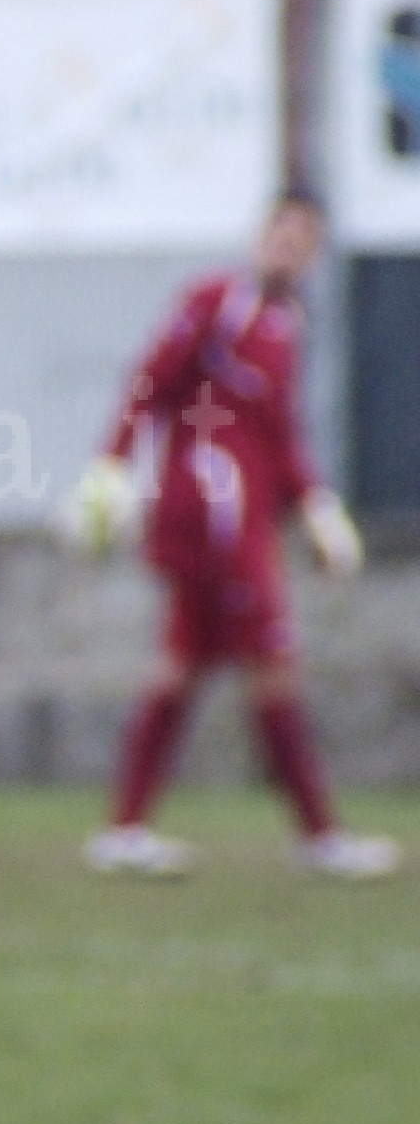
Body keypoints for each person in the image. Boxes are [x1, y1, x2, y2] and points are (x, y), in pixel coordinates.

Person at [69, 193, 401, 880]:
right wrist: (112, 462)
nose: (288, 247)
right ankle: (320, 838)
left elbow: (279, 434)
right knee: (272, 667)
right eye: (281, 232)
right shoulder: (218, 299)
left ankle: (126, 829)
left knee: (183, 665)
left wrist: (315, 506)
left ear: (314, 253)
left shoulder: (285, 324)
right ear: (260, 235)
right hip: (211, 514)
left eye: (303, 239)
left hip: (244, 516)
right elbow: (151, 380)